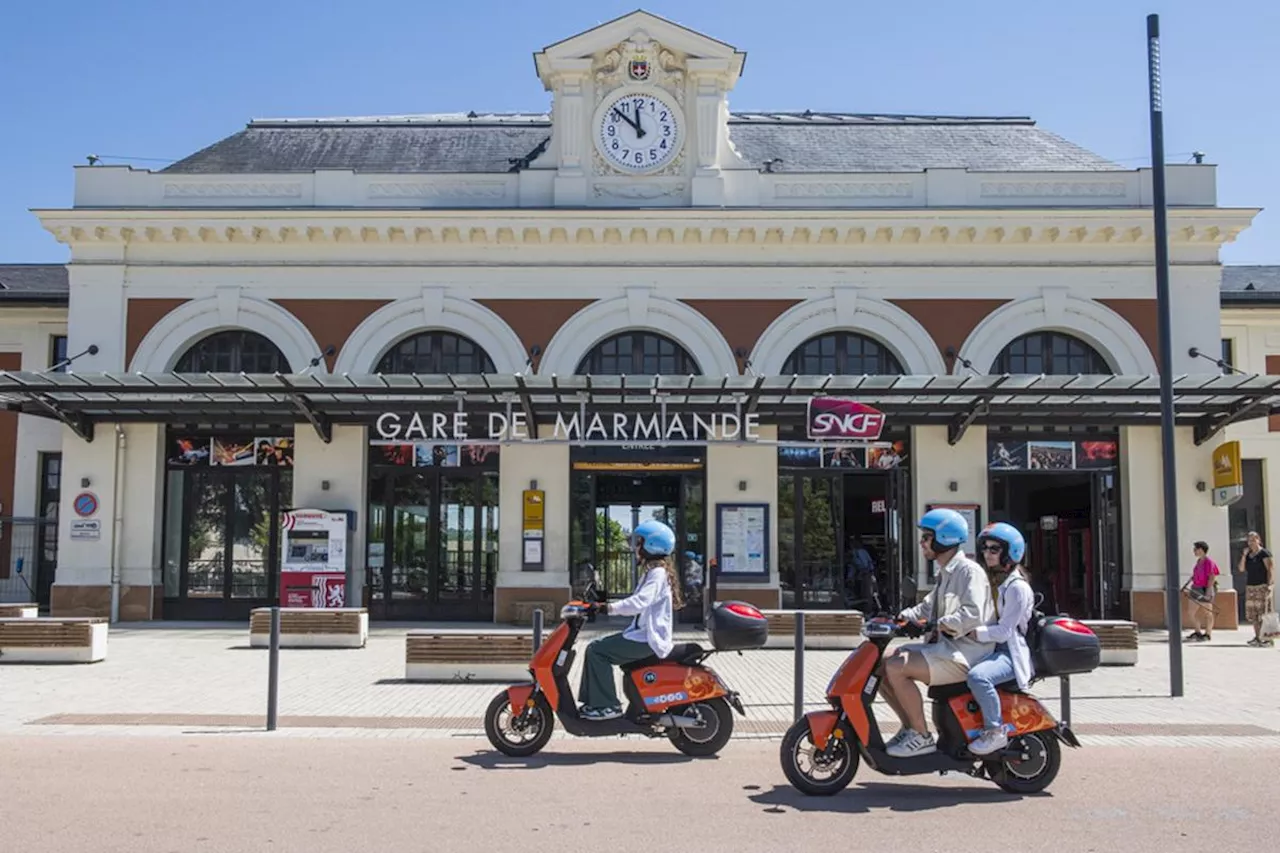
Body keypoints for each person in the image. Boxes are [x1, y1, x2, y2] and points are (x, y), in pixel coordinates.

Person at [881, 508, 995, 758]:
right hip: (947, 649)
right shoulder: (946, 573)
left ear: (944, 538)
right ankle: (910, 728)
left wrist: (933, 625)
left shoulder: (968, 571)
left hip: (965, 655)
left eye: (927, 537)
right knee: (881, 663)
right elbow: (927, 606)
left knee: (897, 666)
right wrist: (900, 617)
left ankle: (921, 736)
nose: (922, 542)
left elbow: (972, 614)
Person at [578, 518, 685, 720]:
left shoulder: (657, 574)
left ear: (651, 546)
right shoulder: (654, 573)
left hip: (648, 639)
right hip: (640, 636)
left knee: (596, 651)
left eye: (639, 543)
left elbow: (639, 602)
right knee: (596, 648)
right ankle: (595, 703)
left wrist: (607, 608)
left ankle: (607, 706)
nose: (635, 548)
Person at [965, 522, 1035, 757]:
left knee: (978, 677)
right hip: (993, 647)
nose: (987, 553)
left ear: (1009, 552)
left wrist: (974, 632)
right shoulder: (996, 582)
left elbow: (1005, 630)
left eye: (994, 549)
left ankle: (994, 731)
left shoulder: (1017, 588)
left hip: (1010, 653)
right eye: (985, 548)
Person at [1236, 531, 1276, 648]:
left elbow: (1270, 569)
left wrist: (1270, 585)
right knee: (1253, 614)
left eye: (1253, 540)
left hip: (1262, 586)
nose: (1251, 543)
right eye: (1249, 540)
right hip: (1251, 586)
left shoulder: (1264, 553)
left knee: (1264, 612)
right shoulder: (1249, 555)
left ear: (1258, 540)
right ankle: (1257, 637)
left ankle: (1267, 638)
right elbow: (1241, 569)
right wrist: (1244, 555)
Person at [1184, 541, 1220, 642]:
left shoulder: (1209, 562)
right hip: (1195, 588)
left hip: (1205, 588)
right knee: (1191, 612)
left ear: (1201, 550)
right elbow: (1195, 575)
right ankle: (1197, 631)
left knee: (1207, 612)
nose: (1194, 551)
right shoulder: (1198, 561)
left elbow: (1212, 576)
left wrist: (1208, 590)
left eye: (1196, 549)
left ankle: (1208, 634)